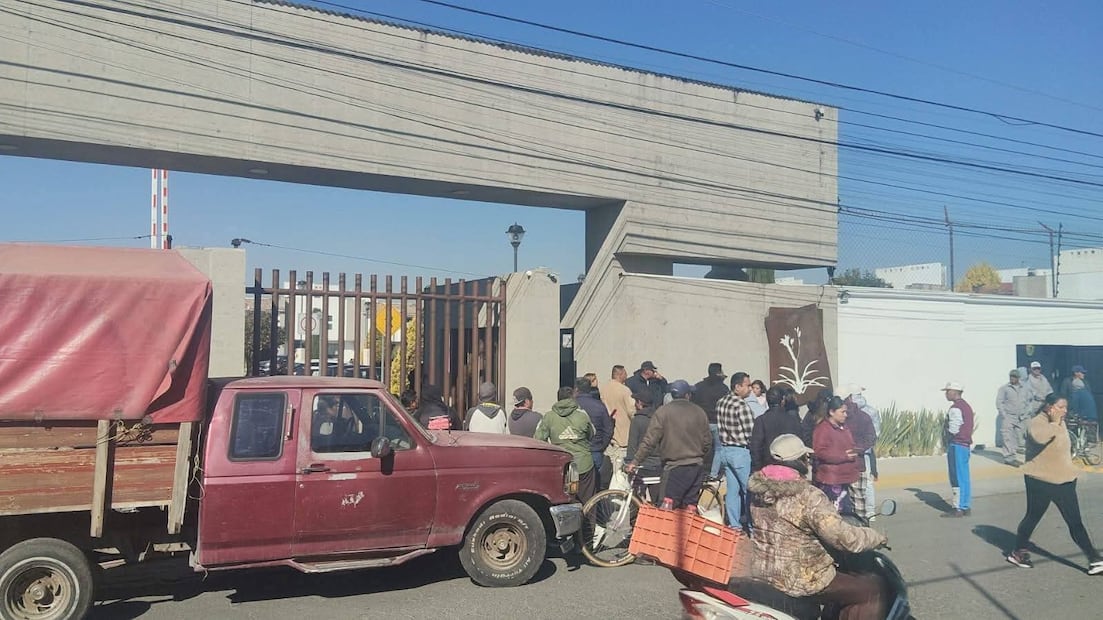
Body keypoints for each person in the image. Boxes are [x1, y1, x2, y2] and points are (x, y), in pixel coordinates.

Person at [747, 434, 888, 618]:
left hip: (763, 572)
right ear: (798, 461)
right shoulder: (808, 496)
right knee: (872, 590)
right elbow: (844, 538)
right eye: (805, 457)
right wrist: (876, 537)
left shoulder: (758, 492)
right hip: (801, 579)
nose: (808, 460)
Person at [1006, 394, 1103, 574]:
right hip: (1040, 480)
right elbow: (1040, 437)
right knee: (1032, 517)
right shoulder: (1037, 422)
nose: (1064, 411)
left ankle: (1094, 559)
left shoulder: (1059, 422)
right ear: (1049, 407)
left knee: (1075, 521)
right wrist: (1054, 422)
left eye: (1066, 407)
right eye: (1060, 407)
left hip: (1063, 480)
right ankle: (1018, 552)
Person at [624, 379, 712, 510]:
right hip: (696, 468)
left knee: (667, 508)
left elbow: (649, 441)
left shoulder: (663, 412)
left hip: (674, 468)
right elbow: (707, 442)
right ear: (687, 395)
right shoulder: (699, 412)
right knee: (689, 507)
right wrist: (700, 457)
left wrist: (635, 461)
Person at [535, 386, 596, 503]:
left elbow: (538, 439)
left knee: (562, 499)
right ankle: (589, 515)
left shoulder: (548, 416)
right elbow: (591, 434)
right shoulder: (582, 415)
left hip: (561, 464)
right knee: (588, 500)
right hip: (583, 463)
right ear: (573, 398)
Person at [714, 371, 755, 529]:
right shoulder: (741, 405)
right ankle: (752, 527)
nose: (750, 389)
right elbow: (751, 432)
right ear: (737, 387)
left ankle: (734, 525)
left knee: (732, 491)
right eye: (747, 385)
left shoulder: (721, 402)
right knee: (748, 491)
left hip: (725, 450)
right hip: (740, 451)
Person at [812, 396, 861, 516]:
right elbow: (820, 452)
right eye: (842, 412)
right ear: (831, 412)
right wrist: (843, 456)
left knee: (847, 514)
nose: (845, 415)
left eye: (846, 412)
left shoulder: (844, 427)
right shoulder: (823, 429)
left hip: (845, 478)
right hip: (832, 480)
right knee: (835, 515)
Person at [750, 385, 804, 472]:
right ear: (783, 400)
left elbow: (755, 448)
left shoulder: (761, 420)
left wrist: (758, 469)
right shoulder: (792, 420)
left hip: (767, 468)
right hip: (790, 467)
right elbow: (799, 444)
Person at [842, 385, 877, 520]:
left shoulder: (863, 416)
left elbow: (871, 436)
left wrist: (854, 450)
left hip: (853, 461)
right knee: (860, 495)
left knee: (852, 497)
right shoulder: (867, 413)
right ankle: (866, 518)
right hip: (858, 459)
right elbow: (873, 436)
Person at [941, 381, 974, 518]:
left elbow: (954, 429)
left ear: (954, 392)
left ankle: (958, 507)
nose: (946, 394)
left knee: (956, 477)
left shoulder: (955, 409)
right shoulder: (967, 406)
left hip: (957, 444)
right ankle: (965, 505)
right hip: (965, 445)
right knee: (964, 476)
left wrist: (946, 438)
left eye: (947, 391)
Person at [693, 362, 731, 477]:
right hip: (718, 422)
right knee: (719, 449)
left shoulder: (699, 387)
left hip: (702, 422)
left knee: (700, 448)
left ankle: (699, 472)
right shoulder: (724, 389)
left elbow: (693, 403)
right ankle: (713, 474)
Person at [625, 390, 663, 503]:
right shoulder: (659, 419)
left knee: (635, 500)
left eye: (636, 401)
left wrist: (629, 463)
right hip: (658, 466)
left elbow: (632, 445)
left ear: (640, 403)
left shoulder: (637, 420)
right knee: (657, 501)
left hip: (642, 467)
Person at [575, 377, 613, 487]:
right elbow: (608, 429)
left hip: (576, 450)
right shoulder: (599, 406)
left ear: (576, 389)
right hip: (595, 449)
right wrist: (602, 445)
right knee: (595, 485)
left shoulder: (572, 405)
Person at [601, 365, 636, 470]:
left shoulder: (603, 389)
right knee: (621, 469)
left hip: (608, 435)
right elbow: (632, 411)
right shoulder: (625, 390)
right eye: (625, 373)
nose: (627, 376)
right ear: (620, 374)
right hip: (623, 436)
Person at [997, 369, 1031, 466]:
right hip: (1009, 416)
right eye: (1011, 376)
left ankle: (1014, 456)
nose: (1012, 378)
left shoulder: (1025, 388)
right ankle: (1009, 458)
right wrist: (1004, 414)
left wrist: (1026, 413)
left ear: (1018, 378)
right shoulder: (1004, 388)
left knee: (1017, 438)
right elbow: (999, 402)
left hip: (1020, 417)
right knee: (1007, 437)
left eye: (1015, 377)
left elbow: (1029, 401)